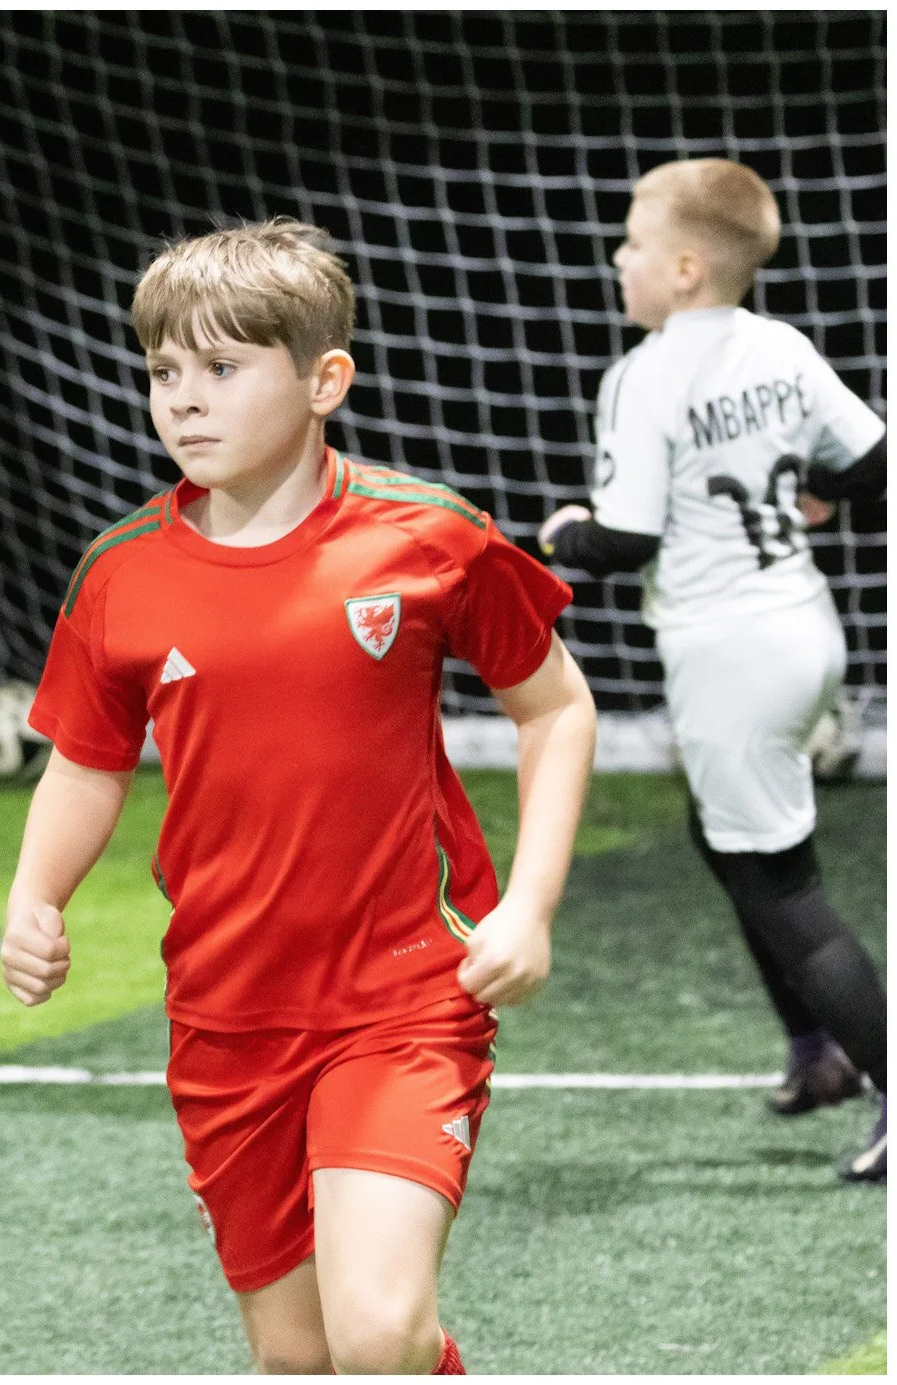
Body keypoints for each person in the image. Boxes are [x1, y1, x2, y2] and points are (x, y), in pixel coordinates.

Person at [2, 220, 597, 1373]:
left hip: (402, 996)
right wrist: (37, 893)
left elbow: (555, 707)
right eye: (164, 372)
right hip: (223, 1013)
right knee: (300, 1352)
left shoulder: (425, 538)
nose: (185, 401)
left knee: (379, 1328)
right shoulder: (119, 571)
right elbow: (85, 758)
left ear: (324, 380)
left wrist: (527, 904)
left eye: (222, 370)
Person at [539, 158, 887, 1182]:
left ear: (685, 267)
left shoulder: (643, 374)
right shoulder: (779, 344)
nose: (619, 258)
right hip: (805, 633)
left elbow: (630, 535)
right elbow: (874, 463)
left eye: (635, 243)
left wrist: (566, 535)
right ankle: (816, 1053)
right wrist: (814, 490)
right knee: (728, 839)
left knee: (785, 887)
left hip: (729, 655)